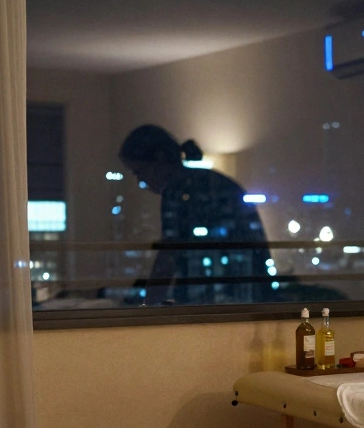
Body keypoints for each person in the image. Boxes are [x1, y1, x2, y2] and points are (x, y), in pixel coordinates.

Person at [118, 125, 275, 305]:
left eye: (140, 172)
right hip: (246, 295)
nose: (140, 181)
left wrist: (148, 305)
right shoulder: (212, 183)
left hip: (217, 299)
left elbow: (169, 255)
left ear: (159, 161)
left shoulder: (178, 191)